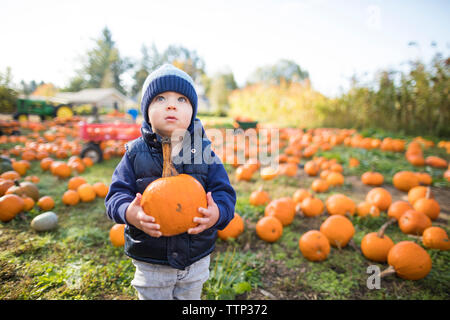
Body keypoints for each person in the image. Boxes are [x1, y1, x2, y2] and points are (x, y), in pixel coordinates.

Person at [105, 64, 236, 300]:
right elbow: (116, 195)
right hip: (151, 260)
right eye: (160, 98)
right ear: (146, 111)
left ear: (193, 112)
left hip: (195, 260)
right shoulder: (134, 154)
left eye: (182, 99)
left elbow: (224, 193)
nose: (171, 104)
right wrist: (129, 212)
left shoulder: (204, 153)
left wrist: (217, 213)